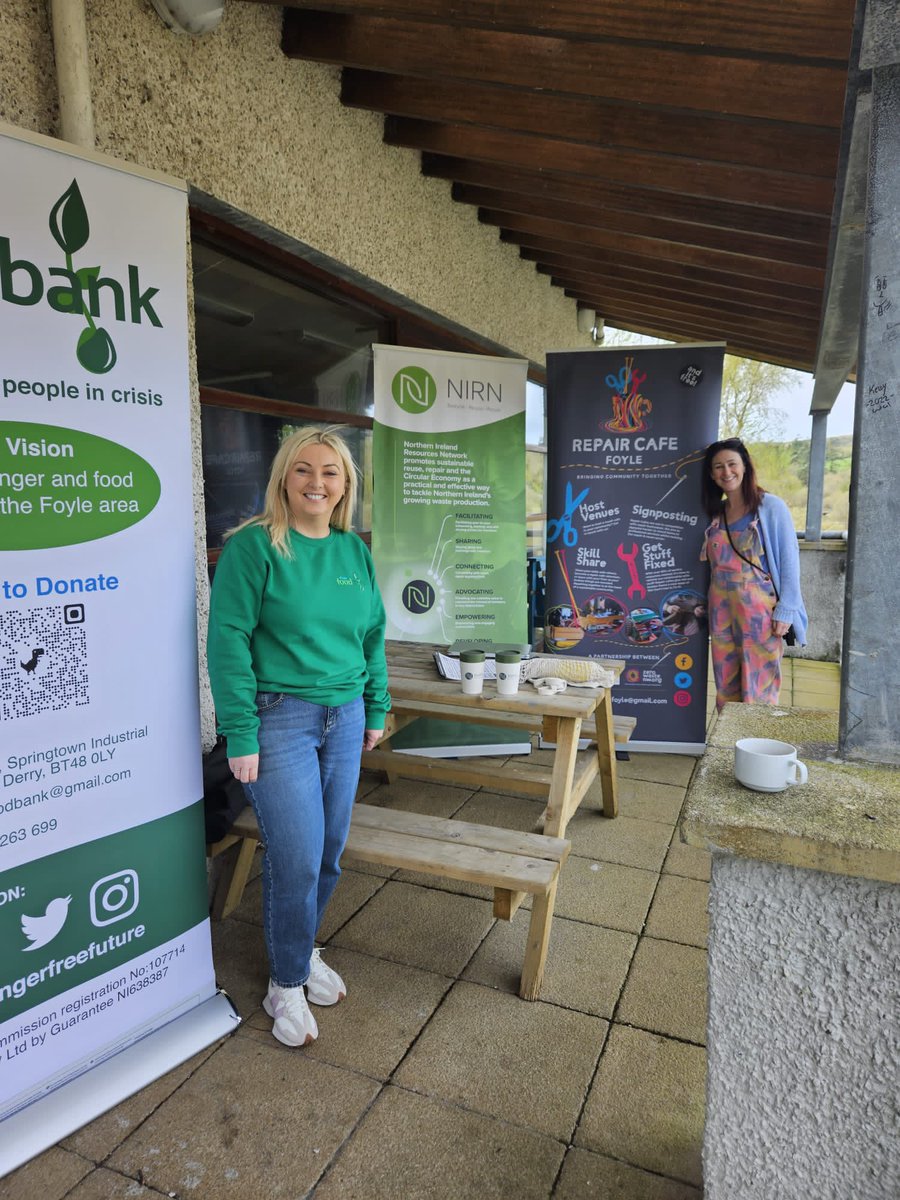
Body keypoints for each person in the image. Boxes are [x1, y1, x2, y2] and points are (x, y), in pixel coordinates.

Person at [207, 426, 390, 1048]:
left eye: (331, 473)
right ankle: (284, 982)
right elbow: (226, 639)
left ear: (346, 485)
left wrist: (375, 707)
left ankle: (301, 947)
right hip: (278, 717)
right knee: (296, 856)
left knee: (330, 850)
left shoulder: (353, 552)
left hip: (343, 716)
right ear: (284, 477)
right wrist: (240, 731)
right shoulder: (254, 548)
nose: (318, 483)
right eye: (304, 470)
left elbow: (372, 637)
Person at [700, 438, 808, 710]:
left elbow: (789, 560)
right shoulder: (716, 513)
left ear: (745, 466)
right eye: (719, 467)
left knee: (759, 686)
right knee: (725, 685)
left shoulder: (770, 507)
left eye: (732, 464)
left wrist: (787, 609)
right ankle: (729, 746)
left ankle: (757, 749)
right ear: (712, 475)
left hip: (760, 615)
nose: (727, 472)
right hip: (722, 614)